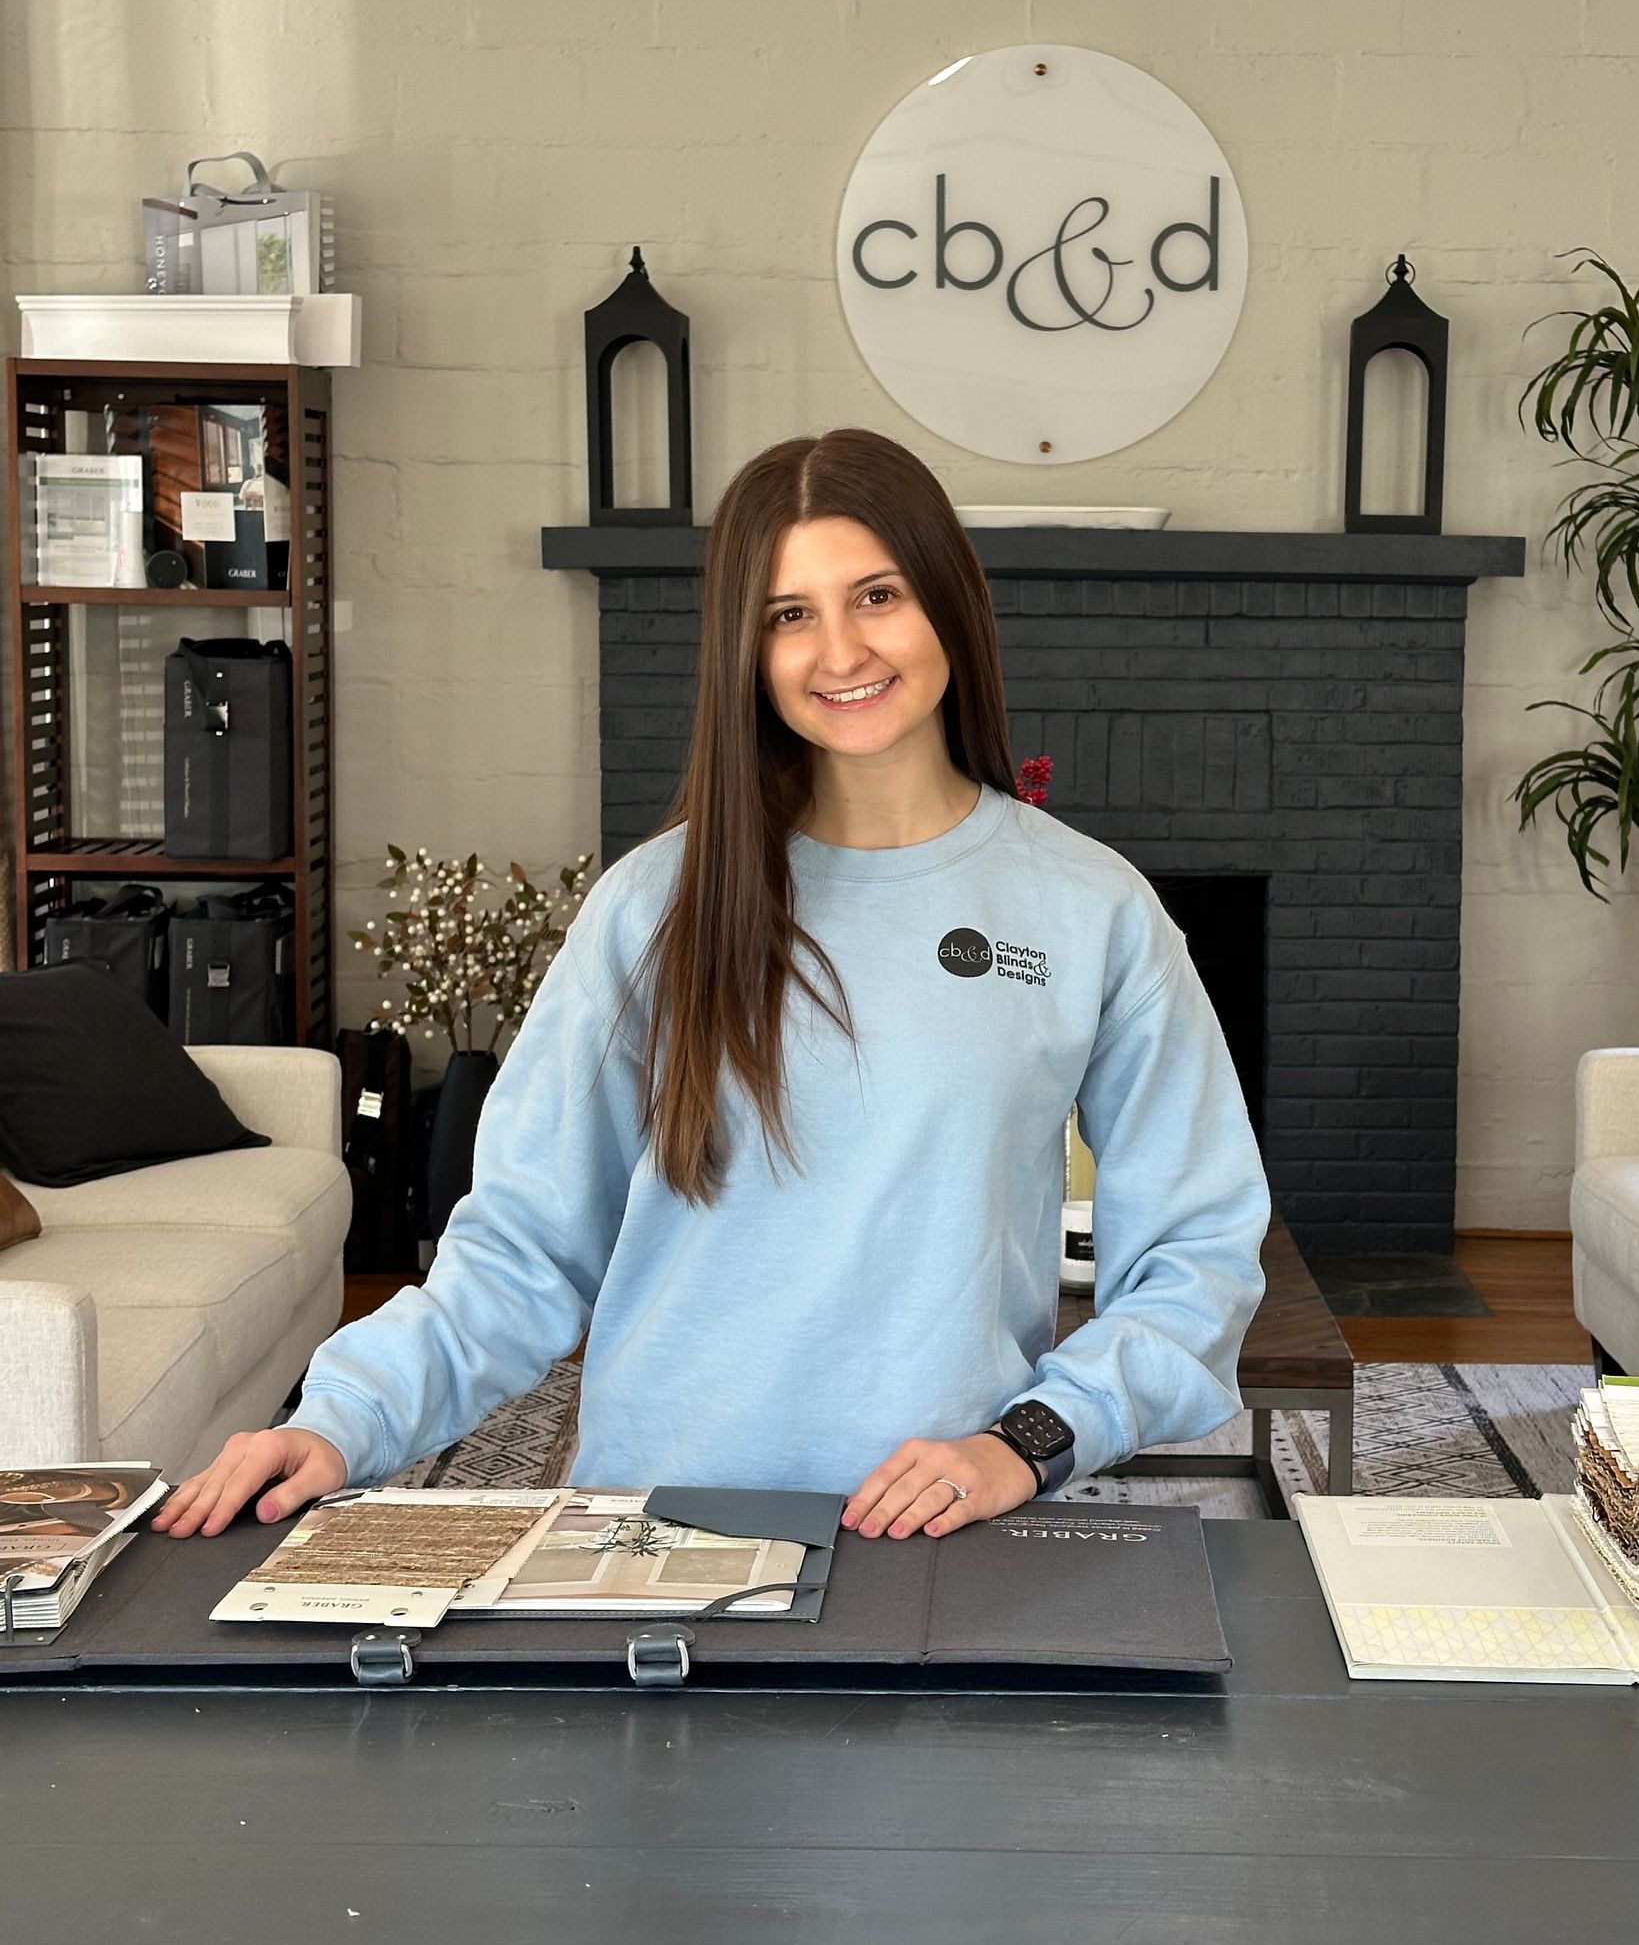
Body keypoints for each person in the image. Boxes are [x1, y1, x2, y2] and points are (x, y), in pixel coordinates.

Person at [154, 429, 1269, 1547]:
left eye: (876, 594)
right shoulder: (654, 908)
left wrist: (1028, 1439)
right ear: (746, 645)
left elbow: (1197, 1253)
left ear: (947, 599)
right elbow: (525, 1248)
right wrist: (343, 1416)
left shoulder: (1092, 906)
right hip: (657, 1526)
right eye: (789, 614)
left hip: (941, 1533)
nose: (839, 650)